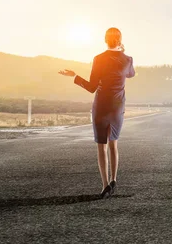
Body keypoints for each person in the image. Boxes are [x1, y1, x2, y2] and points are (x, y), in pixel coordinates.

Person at [58, 27, 135, 199]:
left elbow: (92, 87)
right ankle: (114, 179)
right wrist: (122, 53)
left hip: (101, 106)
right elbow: (131, 74)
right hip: (117, 108)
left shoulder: (99, 59)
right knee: (113, 143)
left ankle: (105, 185)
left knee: (102, 146)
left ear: (104, 40)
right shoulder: (128, 59)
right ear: (120, 40)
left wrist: (75, 76)